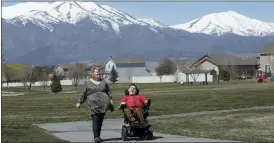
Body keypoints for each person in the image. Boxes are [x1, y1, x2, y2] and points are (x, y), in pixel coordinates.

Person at [76, 66, 114, 143]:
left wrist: (110, 99)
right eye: (97, 72)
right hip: (93, 106)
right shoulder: (87, 83)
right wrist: (79, 102)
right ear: (92, 73)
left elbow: (108, 91)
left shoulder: (104, 82)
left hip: (103, 106)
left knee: (100, 121)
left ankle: (98, 136)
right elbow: (83, 93)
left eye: (99, 72)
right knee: (95, 119)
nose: (99, 73)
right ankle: (96, 136)